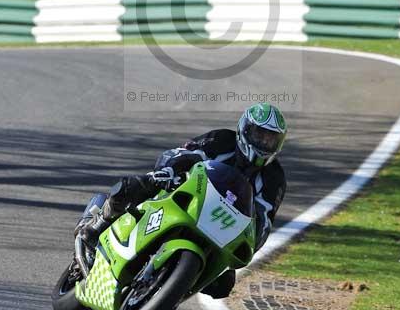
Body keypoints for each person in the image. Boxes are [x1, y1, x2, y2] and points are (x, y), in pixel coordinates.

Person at [76, 104, 288, 299]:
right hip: (186, 194)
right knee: (136, 186)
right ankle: (94, 227)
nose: (263, 143)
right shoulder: (222, 140)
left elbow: (264, 221)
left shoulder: (274, 179)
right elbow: (186, 153)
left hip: (220, 225)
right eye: (259, 135)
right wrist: (169, 171)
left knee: (223, 284)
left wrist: (250, 243)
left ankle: (169, 289)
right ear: (245, 130)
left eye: (271, 139)